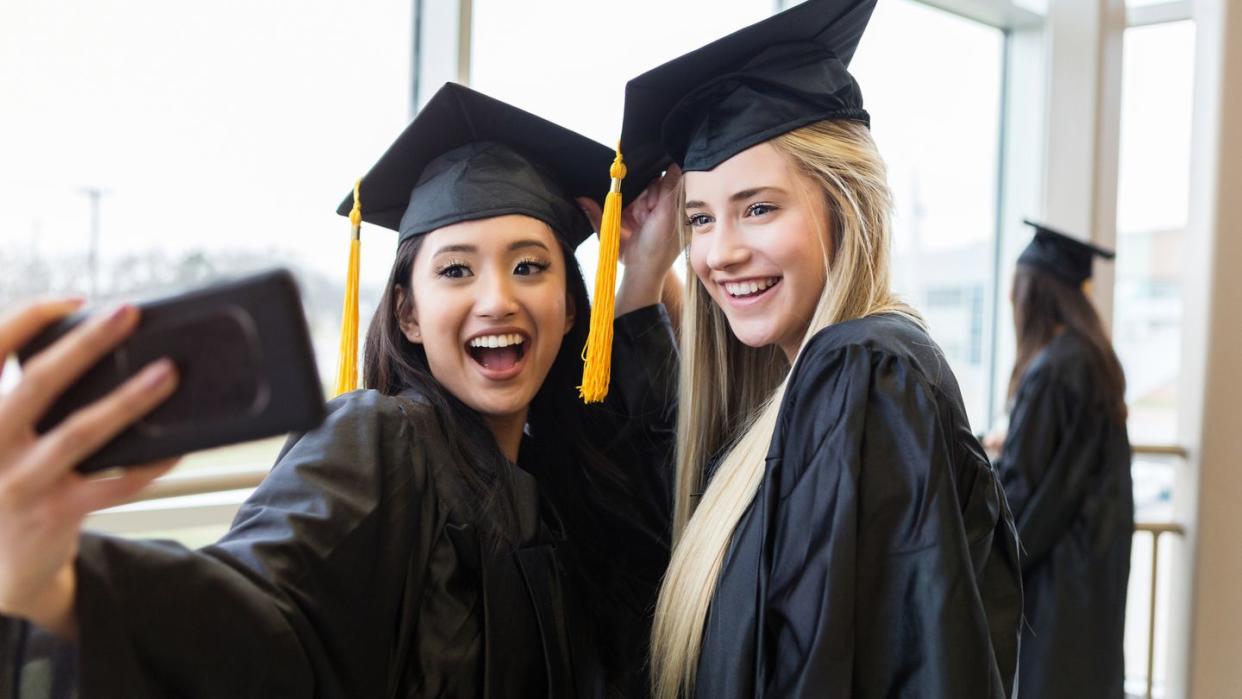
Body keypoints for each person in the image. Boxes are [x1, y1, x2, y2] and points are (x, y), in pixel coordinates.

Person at [0, 83, 682, 697]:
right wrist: (58, 585)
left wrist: (646, 272)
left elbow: (642, 550)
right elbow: (262, 609)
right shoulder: (381, 440)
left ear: (569, 308)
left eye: (530, 266)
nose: (497, 298)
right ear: (408, 314)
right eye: (455, 271)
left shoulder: (554, 475)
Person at [595, 1, 1024, 696]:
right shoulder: (801, 393)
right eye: (700, 218)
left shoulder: (862, 373)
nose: (720, 253)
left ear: (843, 202)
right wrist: (644, 274)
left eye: (759, 207)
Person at [994, 219, 1134, 699]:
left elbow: (1020, 489)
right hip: (1091, 570)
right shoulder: (1093, 358)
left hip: (1055, 583)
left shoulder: (1052, 371)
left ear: (1033, 295)